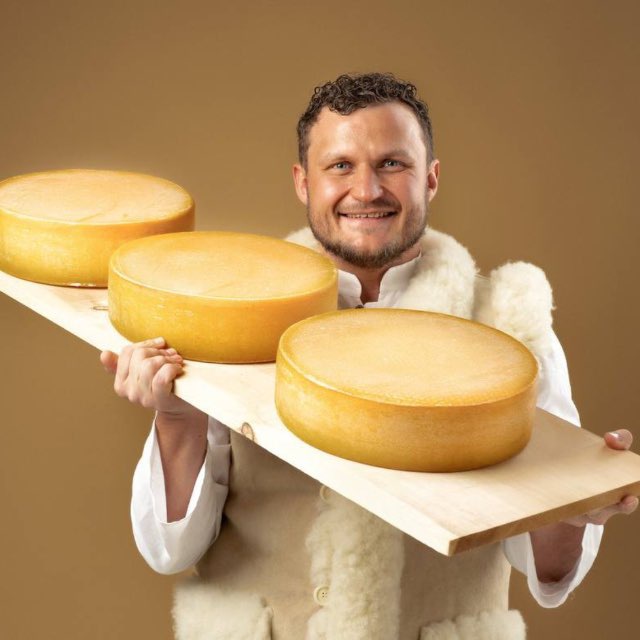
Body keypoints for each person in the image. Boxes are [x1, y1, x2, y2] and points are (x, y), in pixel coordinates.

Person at [101, 72, 637, 640]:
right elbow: (169, 549)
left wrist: (573, 511)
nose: (366, 190)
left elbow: (547, 571)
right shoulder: (229, 312)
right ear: (303, 183)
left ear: (430, 179)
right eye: (340, 166)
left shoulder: (509, 325)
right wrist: (177, 417)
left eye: (392, 164)